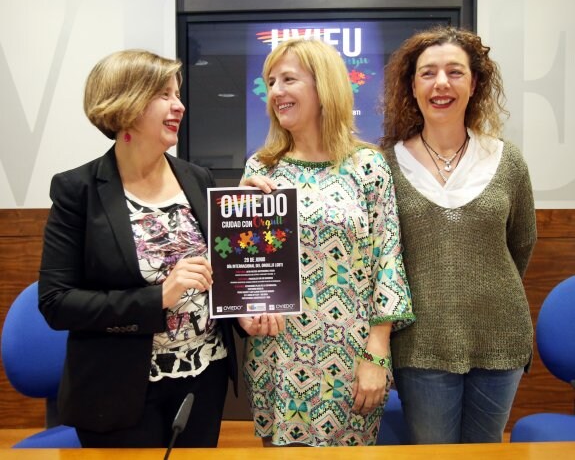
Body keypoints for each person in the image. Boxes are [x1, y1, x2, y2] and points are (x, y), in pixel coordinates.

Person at [38, 49, 282, 448]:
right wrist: (158, 298)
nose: (179, 105)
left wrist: (243, 315)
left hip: (205, 378)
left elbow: (216, 276)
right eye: (165, 95)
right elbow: (56, 302)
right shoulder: (77, 191)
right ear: (126, 103)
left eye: (178, 94)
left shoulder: (198, 178)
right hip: (117, 391)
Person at [240, 38, 415, 447]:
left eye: (289, 79)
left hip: (350, 357)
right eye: (271, 82)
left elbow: (387, 260)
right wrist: (240, 211)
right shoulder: (261, 168)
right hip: (278, 355)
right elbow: (250, 268)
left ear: (325, 87)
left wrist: (377, 354)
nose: (276, 91)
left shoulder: (367, 166)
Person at [378, 25, 537, 444]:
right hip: (421, 344)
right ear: (411, 86)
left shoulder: (508, 161)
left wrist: (480, 293)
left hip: (500, 336)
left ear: (475, 84)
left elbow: (521, 244)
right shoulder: (383, 166)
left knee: (485, 453)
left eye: (455, 71)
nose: (441, 83)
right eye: (428, 73)